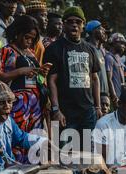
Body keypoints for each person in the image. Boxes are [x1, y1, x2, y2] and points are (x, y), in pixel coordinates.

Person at [0, 15, 50, 162]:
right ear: (17, 33)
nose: (29, 41)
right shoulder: (5, 51)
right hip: (16, 105)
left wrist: (41, 73)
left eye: (32, 39)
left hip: (35, 106)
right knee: (17, 141)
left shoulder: (31, 54)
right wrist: (20, 72)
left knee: (35, 141)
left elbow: (37, 79)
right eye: (27, 37)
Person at [44, 6, 102, 141]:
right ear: (64, 25)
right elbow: (51, 80)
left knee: (87, 155)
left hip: (88, 112)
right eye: (70, 21)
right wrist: (56, 110)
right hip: (65, 112)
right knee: (65, 157)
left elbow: (95, 79)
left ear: (83, 25)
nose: (74, 25)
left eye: (78, 22)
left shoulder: (90, 49)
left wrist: (97, 107)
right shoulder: (54, 49)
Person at [86, 20, 109, 98]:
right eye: (100, 28)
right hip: (94, 95)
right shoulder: (88, 48)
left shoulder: (99, 50)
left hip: (103, 95)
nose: (103, 31)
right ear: (94, 31)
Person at [106, 33, 126, 107]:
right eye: (121, 43)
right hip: (114, 98)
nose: (124, 46)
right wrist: (114, 97)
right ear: (113, 43)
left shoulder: (118, 57)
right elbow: (109, 79)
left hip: (120, 96)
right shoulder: (109, 58)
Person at [25, 0, 48, 64]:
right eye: (43, 15)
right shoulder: (28, 37)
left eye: (46, 16)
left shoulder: (38, 37)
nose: (46, 19)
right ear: (32, 17)